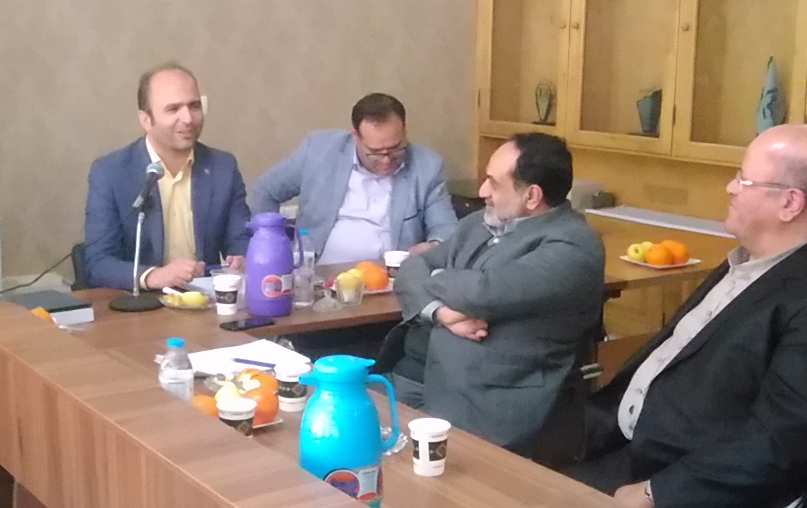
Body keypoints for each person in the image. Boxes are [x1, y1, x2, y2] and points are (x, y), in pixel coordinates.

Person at [570, 125, 807, 508]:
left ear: (790, 203)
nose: (729, 187)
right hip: (623, 447)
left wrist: (656, 493)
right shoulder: (743, 264)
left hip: (692, 497)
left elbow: (779, 444)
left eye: (743, 180)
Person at [385, 133, 603, 454]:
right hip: (418, 376)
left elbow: (482, 292)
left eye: (494, 183)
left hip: (485, 405)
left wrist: (437, 274)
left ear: (532, 196)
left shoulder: (573, 246)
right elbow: (412, 266)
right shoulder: (479, 223)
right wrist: (442, 313)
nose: (482, 192)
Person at [84, 63, 250, 291]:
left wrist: (243, 258)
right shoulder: (110, 173)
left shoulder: (223, 167)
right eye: (173, 109)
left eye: (194, 106)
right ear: (146, 120)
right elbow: (98, 263)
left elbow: (241, 239)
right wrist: (153, 276)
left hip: (206, 300)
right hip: (143, 303)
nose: (188, 119)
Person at [249, 93, 457, 263]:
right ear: (355, 136)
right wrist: (274, 245)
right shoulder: (318, 150)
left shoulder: (427, 166)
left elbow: (446, 228)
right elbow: (265, 191)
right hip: (320, 276)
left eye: (395, 149)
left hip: (390, 281)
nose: (386, 160)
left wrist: (435, 245)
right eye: (375, 152)